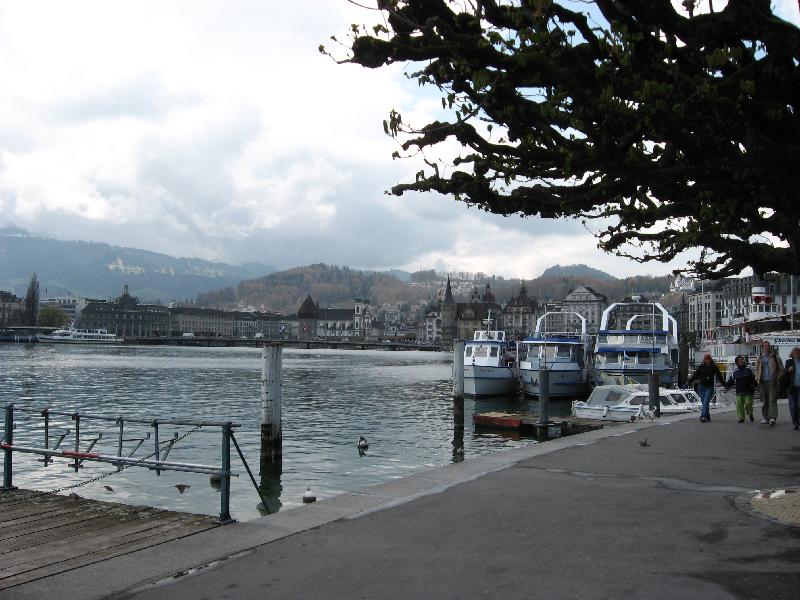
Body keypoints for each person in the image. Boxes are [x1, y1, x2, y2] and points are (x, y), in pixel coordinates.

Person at [687, 353, 725, 423]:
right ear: (704, 359)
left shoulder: (714, 367)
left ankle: (703, 416)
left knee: (705, 402)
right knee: (704, 403)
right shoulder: (701, 367)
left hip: (709, 387)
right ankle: (707, 416)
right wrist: (688, 382)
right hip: (701, 387)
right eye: (706, 358)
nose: (707, 360)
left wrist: (724, 384)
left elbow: (719, 376)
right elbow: (695, 375)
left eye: (708, 358)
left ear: (711, 359)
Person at [754, 340, 784, 426]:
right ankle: (766, 417)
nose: (767, 347)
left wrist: (777, 378)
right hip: (762, 382)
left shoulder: (775, 357)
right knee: (765, 401)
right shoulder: (760, 358)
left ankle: (772, 418)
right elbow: (756, 369)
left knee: (772, 400)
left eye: (768, 345)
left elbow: (781, 369)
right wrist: (757, 378)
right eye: (765, 346)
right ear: (762, 347)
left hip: (772, 381)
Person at [725, 355, 757, 423]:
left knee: (748, 404)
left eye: (742, 359)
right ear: (737, 363)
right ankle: (741, 418)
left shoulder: (749, 369)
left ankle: (750, 413)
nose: (742, 361)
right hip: (739, 391)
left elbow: (754, 378)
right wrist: (727, 386)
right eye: (740, 360)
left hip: (749, 391)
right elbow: (731, 380)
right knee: (739, 405)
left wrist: (754, 384)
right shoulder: (735, 371)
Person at [784, 347, 800, 430]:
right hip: (792, 387)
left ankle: (798, 421)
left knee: (799, 405)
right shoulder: (789, 362)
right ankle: (795, 423)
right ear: (792, 354)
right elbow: (784, 373)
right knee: (793, 406)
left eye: (798, 353)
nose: (796, 354)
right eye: (795, 353)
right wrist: (788, 371)